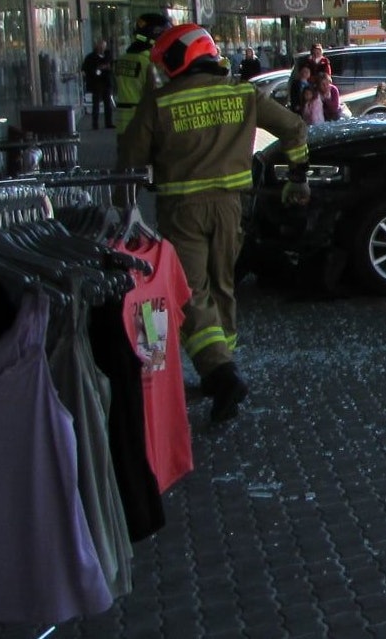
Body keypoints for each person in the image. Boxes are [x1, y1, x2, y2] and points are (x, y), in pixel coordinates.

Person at [118, 23, 310, 423]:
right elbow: (294, 128)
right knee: (222, 286)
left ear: (177, 59)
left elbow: (129, 160)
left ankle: (221, 373)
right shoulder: (244, 94)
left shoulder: (160, 102)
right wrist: (297, 178)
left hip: (182, 209)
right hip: (232, 208)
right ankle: (220, 367)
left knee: (190, 292)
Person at [115, 13, 171, 136]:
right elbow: (160, 93)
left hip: (122, 124)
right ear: (156, 33)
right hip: (143, 124)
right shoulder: (150, 61)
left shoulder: (123, 58)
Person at [81, 39, 114, 129]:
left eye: (104, 46)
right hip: (96, 83)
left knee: (108, 104)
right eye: (100, 46)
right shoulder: (91, 57)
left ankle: (109, 123)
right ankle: (95, 124)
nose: (102, 48)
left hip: (106, 82)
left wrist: (106, 68)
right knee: (96, 104)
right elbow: (85, 69)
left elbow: (111, 66)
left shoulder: (108, 56)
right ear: (97, 46)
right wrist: (97, 69)